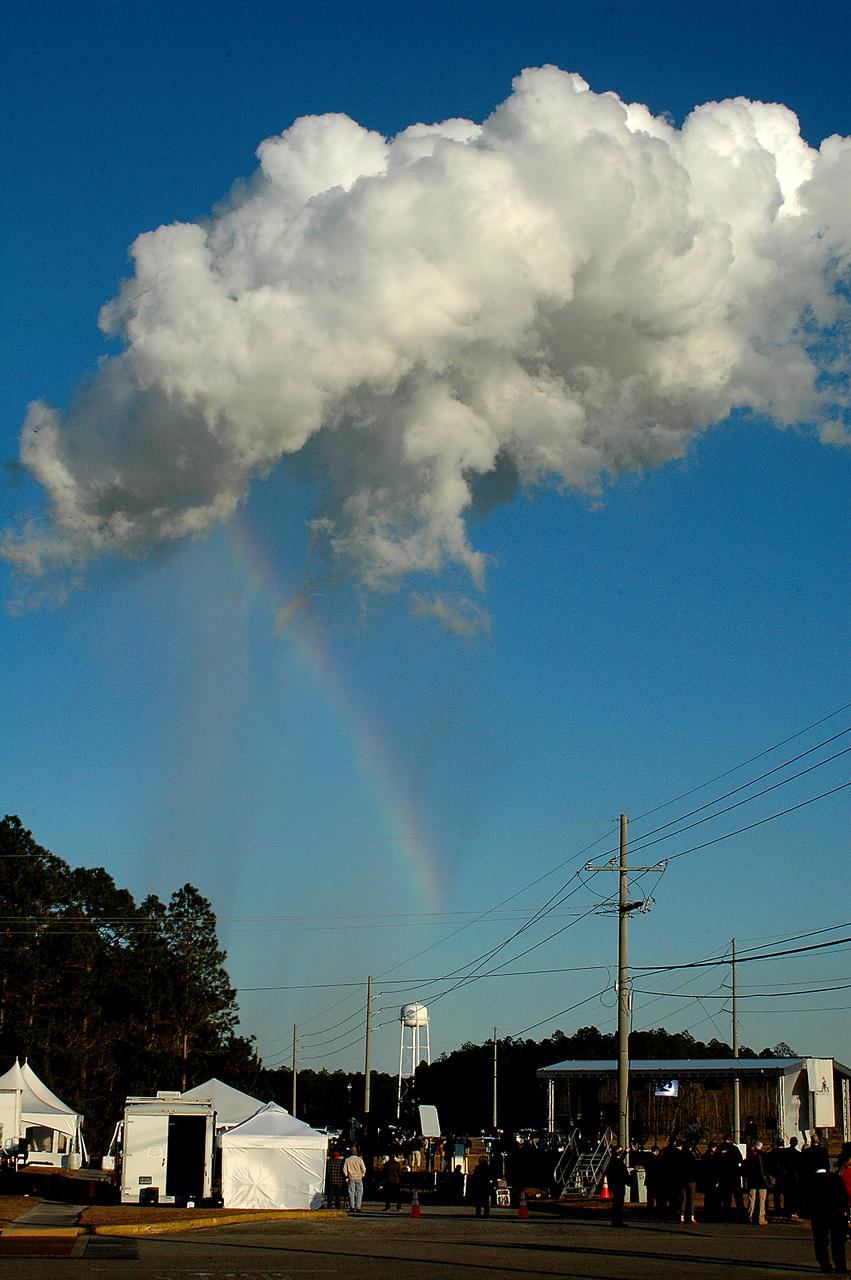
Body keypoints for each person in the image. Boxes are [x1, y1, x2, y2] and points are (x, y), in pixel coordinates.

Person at [809, 1168, 849, 1275]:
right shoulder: (836, 1178)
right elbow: (844, 1196)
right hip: (837, 1213)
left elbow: (806, 1198)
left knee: (820, 1240)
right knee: (838, 1241)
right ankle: (841, 1266)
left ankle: (825, 1265)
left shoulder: (811, 1180)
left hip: (819, 1213)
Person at [742, 1141, 769, 1226]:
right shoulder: (765, 1157)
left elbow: (744, 1168)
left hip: (752, 1181)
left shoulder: (750, 1157)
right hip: (762, 1182)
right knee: (762, 1200)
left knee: (751, 1200)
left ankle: (750, 1216)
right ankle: (761, 1218)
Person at [606, 1146, 631, 1228]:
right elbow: (619, 1160)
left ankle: (617, 1220)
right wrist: (625, 1152)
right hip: (618, 1184)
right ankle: (617, 1221)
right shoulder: (615, 1161)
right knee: (618, 1203)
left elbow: (620, 1158)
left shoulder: (614, 1160)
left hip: (617, 1184)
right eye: (620, 1150)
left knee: (618, 1204)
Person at [343, 1145, 367, 1214]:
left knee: (351, 1192)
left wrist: (347, 1175)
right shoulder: (359, 1160)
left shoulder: (347, 1160)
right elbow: (364, 1169)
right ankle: (358, 1207)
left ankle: (352, 1206)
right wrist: (362, 1175)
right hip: (358, 1177)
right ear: (356, 1152)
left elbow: (344, 1169)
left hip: (351, 1177)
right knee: (359, 1192)